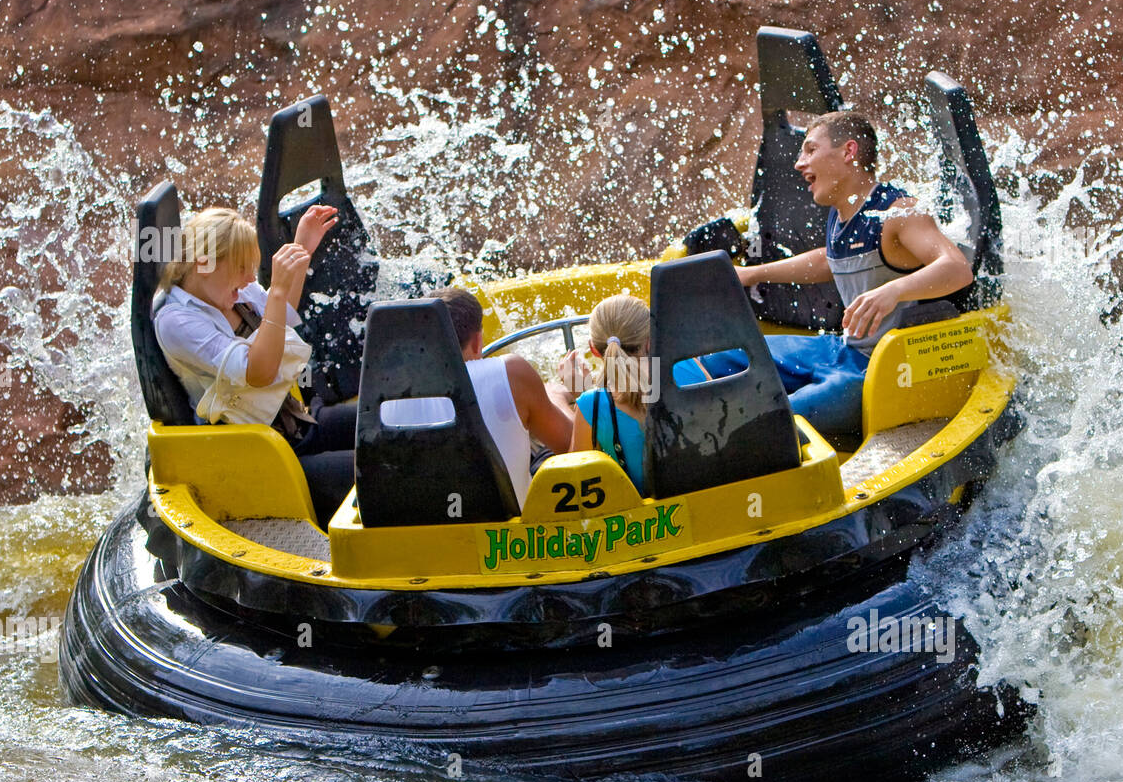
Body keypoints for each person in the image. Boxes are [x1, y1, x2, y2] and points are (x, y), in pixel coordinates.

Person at [713, 111, 975, 435]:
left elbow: (957, 267)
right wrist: (751, 274)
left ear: (848, 152)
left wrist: (892, 291)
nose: (799, 163)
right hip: (841, 351)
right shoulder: (843, 212)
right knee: (720, 358)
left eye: (810, 150)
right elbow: (829, 260)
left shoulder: (899, 212)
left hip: (877, 374)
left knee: (767, 424)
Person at [152, 204, 355, 527]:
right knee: (373, 468)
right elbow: (257, 373)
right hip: (260, 458)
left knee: (378, 422)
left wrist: (301, 250)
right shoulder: (177, 321)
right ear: (203, 263)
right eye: (241, 267)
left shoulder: (226, 290)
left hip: (291, 422)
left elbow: (282, 316)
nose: (249, 278)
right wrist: (275, 291)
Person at [379, 286, 576, 508]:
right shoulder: (511, 372)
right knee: (545, 453)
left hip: (422, 526)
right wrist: (559, 396)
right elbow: (575, 449)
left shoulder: (387, 386)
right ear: (477, 341)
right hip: (506, 534)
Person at [562, 294, 709, 492]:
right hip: (706, 499)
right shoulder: (690, 366)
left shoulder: (593, 405)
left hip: (648, 521)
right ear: (650, 341)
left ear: (594, 350)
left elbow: (577, 482)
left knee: (554, 395)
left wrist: (581, 398)